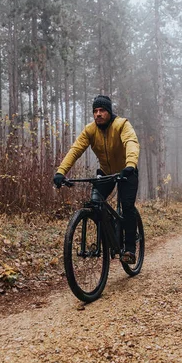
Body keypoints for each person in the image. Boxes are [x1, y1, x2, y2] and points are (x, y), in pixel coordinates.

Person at [53, 95, 140, 264]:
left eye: (102, 110)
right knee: (96, 202)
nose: (98, 114)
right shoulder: (90, 130)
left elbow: (131, 143)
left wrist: (130, 165)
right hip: (106, 172)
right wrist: (61, 172)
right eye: (95, 111)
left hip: (126, 172)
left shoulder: (122, 125)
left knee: (127, 207)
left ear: (109, 112)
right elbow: (75, 150)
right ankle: (107, 235)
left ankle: (129, 249)